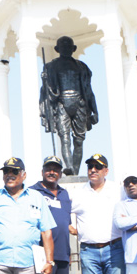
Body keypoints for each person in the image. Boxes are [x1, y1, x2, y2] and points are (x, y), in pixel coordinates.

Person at [39, 36, 99, 175]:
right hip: (61, 103)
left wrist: (94, 110)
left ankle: (76, 171)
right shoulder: (51, 66)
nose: (65, 49)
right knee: (64, 138)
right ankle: (69, 167)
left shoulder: (82, 67)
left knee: (79, 140)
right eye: (62, 47)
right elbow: (48, 91)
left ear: (73, 49)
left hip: (80, 103)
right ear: (57, 49)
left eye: (68, 47)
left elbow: (88, 90)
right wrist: (45, 80)